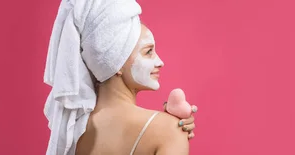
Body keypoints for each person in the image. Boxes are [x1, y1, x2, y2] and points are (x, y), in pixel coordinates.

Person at [42, 0, 196, 154]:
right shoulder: (167, 131)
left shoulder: (71, 131)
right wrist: (172, 130)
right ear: (117, 63)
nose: (160, 62)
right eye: (148, 52)